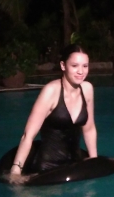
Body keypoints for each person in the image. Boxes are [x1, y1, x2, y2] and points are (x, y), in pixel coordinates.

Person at [8, 44, 98, 184]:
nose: (81, 71)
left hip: (74, 165)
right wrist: (16, 171)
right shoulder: (51, 91)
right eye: (75, 66)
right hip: (48, 169)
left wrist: (94, 160)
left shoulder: (87, 89)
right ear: (63, 66)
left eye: (85, 66)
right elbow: (28, 135)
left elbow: (89, 128)